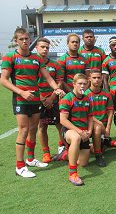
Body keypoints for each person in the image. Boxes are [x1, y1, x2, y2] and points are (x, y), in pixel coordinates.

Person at [1, 28, 64, 178]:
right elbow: (3, 80)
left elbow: (48, 78)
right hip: (21, 100)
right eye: (21, 39)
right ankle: (19, 166)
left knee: (33, 130)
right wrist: (21, 92)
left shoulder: (36, 58)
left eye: (26, 39)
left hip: (35, 100)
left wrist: (57, 89)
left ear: (30, 40)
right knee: (23, 130)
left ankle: (30, 159)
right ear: (16, 41)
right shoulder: (10, 57)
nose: (24, 41)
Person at [59, 73, 93, 186]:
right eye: (79, 83)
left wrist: (89, 131)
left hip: (84, 132)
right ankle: (73, 174)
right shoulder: (67, 98)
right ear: (74, 84)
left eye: (84, 84)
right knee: (76, 137)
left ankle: (65, 155)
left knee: (83, 163)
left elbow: (90, 117)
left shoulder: (88, 99)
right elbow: (63, 120)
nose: (82, 86)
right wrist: (79, 131)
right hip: (70, 131)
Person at [36, 37, 65, 163]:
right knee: (42, 126)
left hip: (54, 99)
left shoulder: (55, 64)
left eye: (47, 47)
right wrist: (42, 99)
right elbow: (30, 83)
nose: (45, 49)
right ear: (37, 47)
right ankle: (46, 153)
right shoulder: (33, 64)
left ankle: (62, 147)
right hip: (39, 99)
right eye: (42, 47)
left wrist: (52, 98)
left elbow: (59, 82)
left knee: (60, 125)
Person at [85, 69, 113, 167]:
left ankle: (103, 144)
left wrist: (108, 127)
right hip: (89, 124)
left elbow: (110, 111)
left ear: (102, 79)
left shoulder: (107, 93)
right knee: (97, 128)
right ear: (89, 79)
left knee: (99, 148)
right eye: (94, 78)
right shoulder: (85, 94)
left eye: (99, 78)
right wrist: (99, 123)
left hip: (104, 125)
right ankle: (98, 156)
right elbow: (86, 114)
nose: (96, 80)